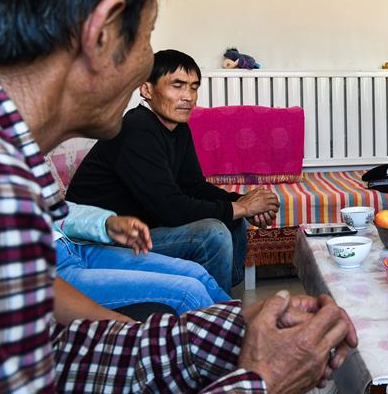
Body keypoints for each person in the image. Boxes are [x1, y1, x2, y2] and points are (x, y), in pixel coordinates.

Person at [0, 0, 356, 394]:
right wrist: (258, 390)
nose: (150, 63)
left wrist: (229, 331)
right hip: (139, 231)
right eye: (148, 37)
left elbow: (56, 360)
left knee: (201, 274)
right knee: (211, 235)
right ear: (102, 31)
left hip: (108, 250)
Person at [66, 49, 280, 293]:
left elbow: (194, 187)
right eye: (177, 85)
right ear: (147, 90)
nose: (188, 96)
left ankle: (217, 298)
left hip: (145, 229)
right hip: (101, 242)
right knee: (213, 233)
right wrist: (242, 207)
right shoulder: (136, 128)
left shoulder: (178, 129)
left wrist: (243, 202)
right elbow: (170, 208)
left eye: (193, 87)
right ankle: (215, 309)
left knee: (233, 221)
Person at [56, 202, 231, 314]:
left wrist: (106, 222)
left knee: (195, 272)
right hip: (52, 269)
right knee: (188, 293)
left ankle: (239, 329)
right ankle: (234, 352)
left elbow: (53, 207)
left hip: (74, 246)